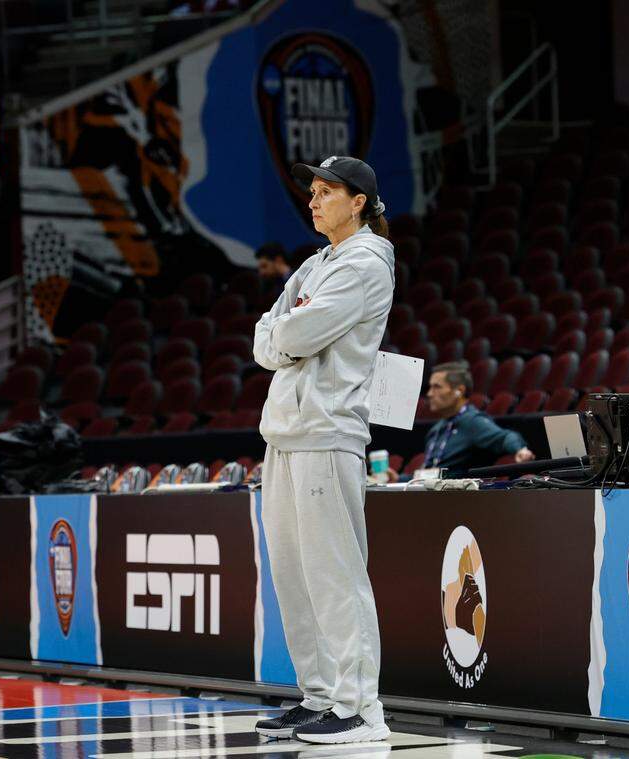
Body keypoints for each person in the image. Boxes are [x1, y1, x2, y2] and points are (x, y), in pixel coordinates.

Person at [251, 156, 394, 745]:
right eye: (311, 192)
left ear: (357, 201)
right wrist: (285, 329)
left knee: (334, 575)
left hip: (328, 432)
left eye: (327, 191)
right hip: (286, 433)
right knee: (293, 577)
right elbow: (265, 337)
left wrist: (287, 330)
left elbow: (291, 333)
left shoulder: (363, 264)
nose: (314, 201)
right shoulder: (315, 264)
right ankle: (320, 698)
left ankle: (360, 708)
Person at [386, 362, 534, 481]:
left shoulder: (472, 421)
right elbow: (428, 475)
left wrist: (519, 449)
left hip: (460, 501)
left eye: (437, 387)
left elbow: (505, 437)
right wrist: (398, 478)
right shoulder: (436, 429)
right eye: (430, 387)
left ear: (459, 391)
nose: (430, 394)